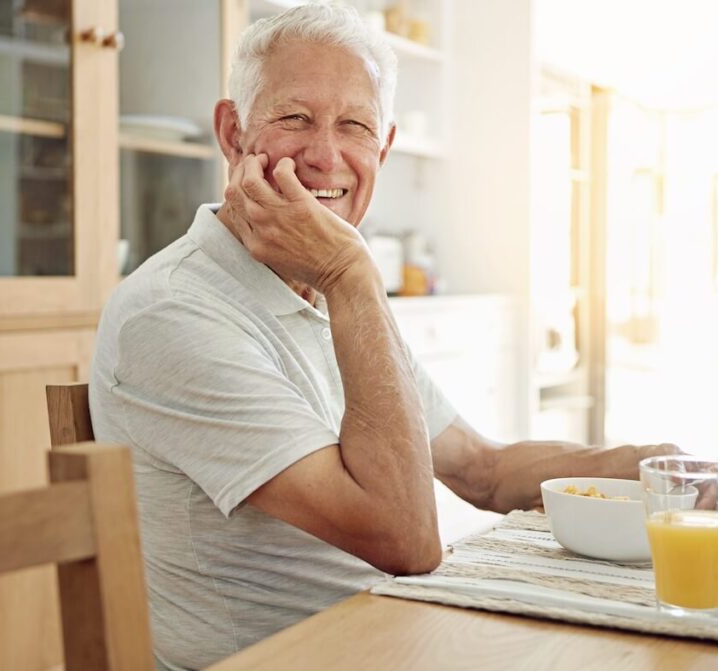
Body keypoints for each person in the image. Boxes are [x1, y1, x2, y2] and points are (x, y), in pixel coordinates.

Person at [89, 4, 679, 669]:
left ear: (384, 148)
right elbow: (407, 538)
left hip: (390, 638)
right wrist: (351, 272)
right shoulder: (174, 312)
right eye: (294, 118)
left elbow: (480, 470)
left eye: (354, 126)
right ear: (233, 132)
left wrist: (650, 463)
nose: (324, 154)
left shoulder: (325, 294)